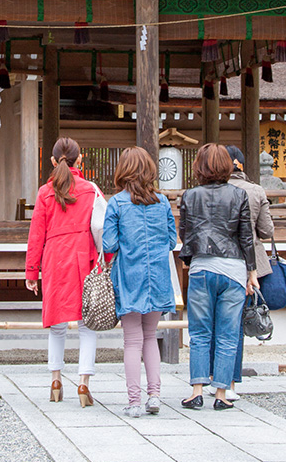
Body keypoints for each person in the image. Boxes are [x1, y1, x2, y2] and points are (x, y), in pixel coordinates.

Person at [179, 142, 257, 411]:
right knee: (227, 334)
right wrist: (252, 272)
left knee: (199, 332)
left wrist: (190, 260)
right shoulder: (239, 195)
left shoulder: (190, 196)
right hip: (233, 269)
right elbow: (246, 236)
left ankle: (196, 390)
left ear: (199, 166)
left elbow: (185, 234)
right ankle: (222, 393)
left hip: (202, 268)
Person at [102, 146, 178, 418]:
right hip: (157, 276)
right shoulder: (162, 202)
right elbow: (171, 241)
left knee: (132, 340)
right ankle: (155, 395)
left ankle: (134, 402)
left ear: (123, 170)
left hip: (129, 276)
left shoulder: (117, 203)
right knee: (150, 337)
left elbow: (109, 243)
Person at [25, 137, 101, 406]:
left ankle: (56, 381)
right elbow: (102, 228)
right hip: (84, 258)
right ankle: (83, 384)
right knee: (86, 324)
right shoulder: (91, 190)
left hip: (54, 258)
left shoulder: (45, 192)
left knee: (57, 325)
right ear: (80, 160)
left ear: (53, 161)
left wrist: (32, 272)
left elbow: (36, 235)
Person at [207, 145, 275, 401]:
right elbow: (267, 230)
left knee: (213, 322)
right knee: (236, 323)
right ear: (240, 163)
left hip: (215, 259)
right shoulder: (255, 191)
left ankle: (213, 378)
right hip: (248, 265)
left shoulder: (213, 191)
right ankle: (231, 382)